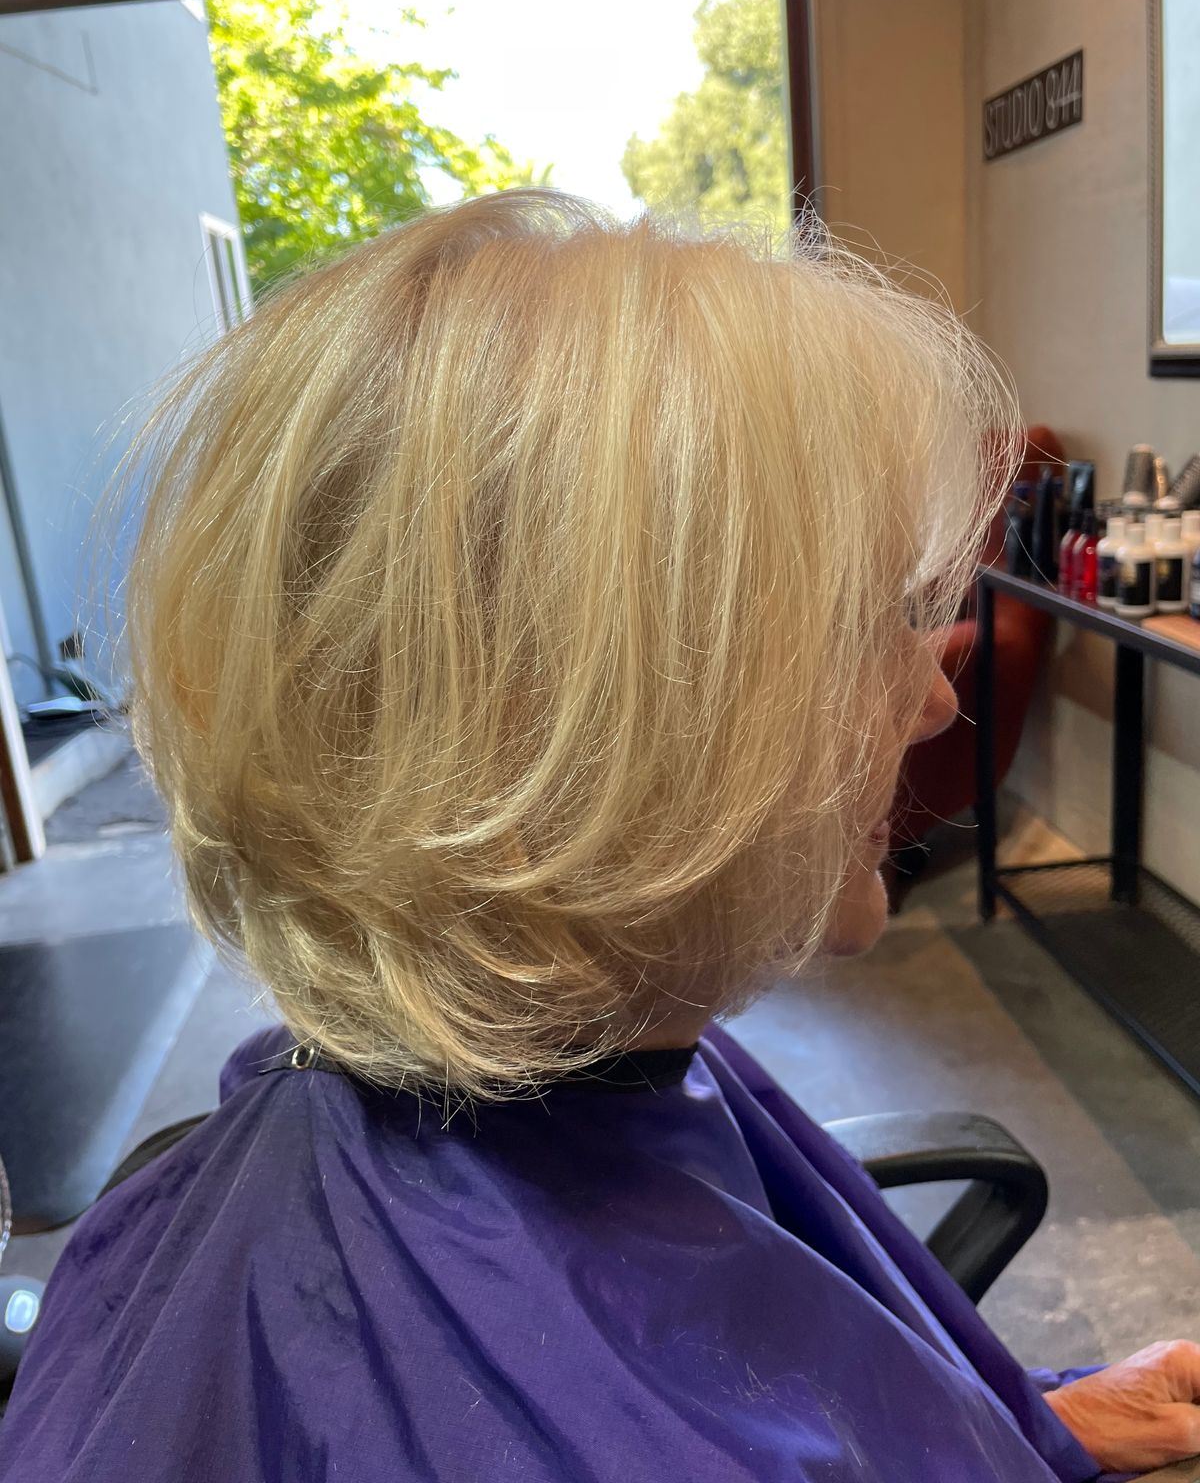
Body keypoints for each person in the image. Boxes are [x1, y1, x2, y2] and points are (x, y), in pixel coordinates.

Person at [1, 191, 1196, 1482]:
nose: (935, 700)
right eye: (866, 627)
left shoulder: (598, 1059)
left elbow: (810, 1380)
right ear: (593, 744)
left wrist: (1031, 1418)